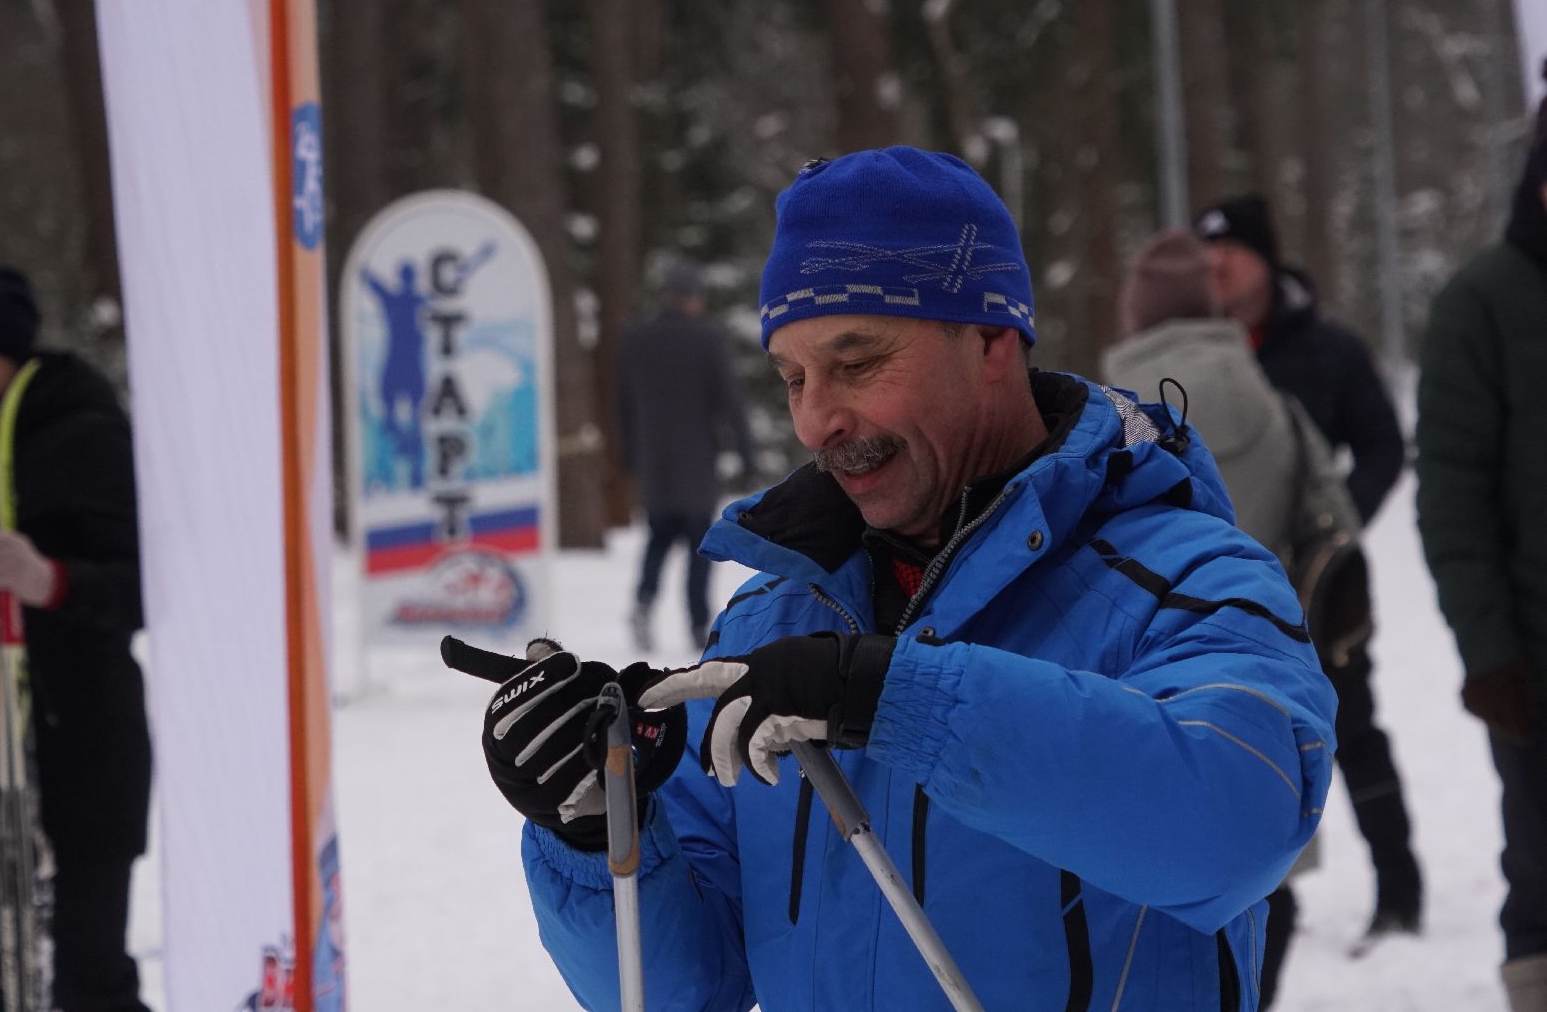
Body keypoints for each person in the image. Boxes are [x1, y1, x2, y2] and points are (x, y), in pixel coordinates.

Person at [479, 148, 1337, 1009]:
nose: (818, 418)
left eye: (856, 364)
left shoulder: (1187, 577)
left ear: (992, 340)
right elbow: (681, 990)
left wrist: (903, 701)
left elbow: (1238, 827)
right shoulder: (768, 623)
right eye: (793, 378)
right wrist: (598, 829)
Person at [1103, 230, 1348, 1008]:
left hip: (1140, 679)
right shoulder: (1272, 401)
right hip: (1266, 669)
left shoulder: (1111, 417)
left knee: (1146, 891)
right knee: (1260, 875)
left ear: (1136, 315)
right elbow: (1333, 519)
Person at [1196, 194, 1424, 941]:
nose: (1218, 268)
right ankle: (1262, 909)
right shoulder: (1198, 359)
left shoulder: (1327, 349)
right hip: (1227, 592)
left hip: (1321, 590)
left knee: (1352, 728)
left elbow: (1386, 445)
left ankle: (1400, 890)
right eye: (1207, 257)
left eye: (1231, 252)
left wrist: (1336, 530)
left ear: (1267, 259)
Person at [0, 265, 151, 1011]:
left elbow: (142, 587)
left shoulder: (83, 433)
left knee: (86, 982)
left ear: (3, 351)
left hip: (75, 751)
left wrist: (51, 580)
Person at [1415, 72, 1547, 1012]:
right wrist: (1492, 654)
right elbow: (1452, 498)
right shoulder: (1483, 303)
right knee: (1543, 880)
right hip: (1539, 666)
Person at [615, 257, 753, 654]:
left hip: (655, 466)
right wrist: (745, 455)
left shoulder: (637, 338)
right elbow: (731, 402)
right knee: (698, 548)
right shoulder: (705, 339)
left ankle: (643, 604)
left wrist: (629, 456)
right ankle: (696, 624)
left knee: (657, 541)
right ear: (692, 297)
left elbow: (622, 403)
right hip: (696, 466)